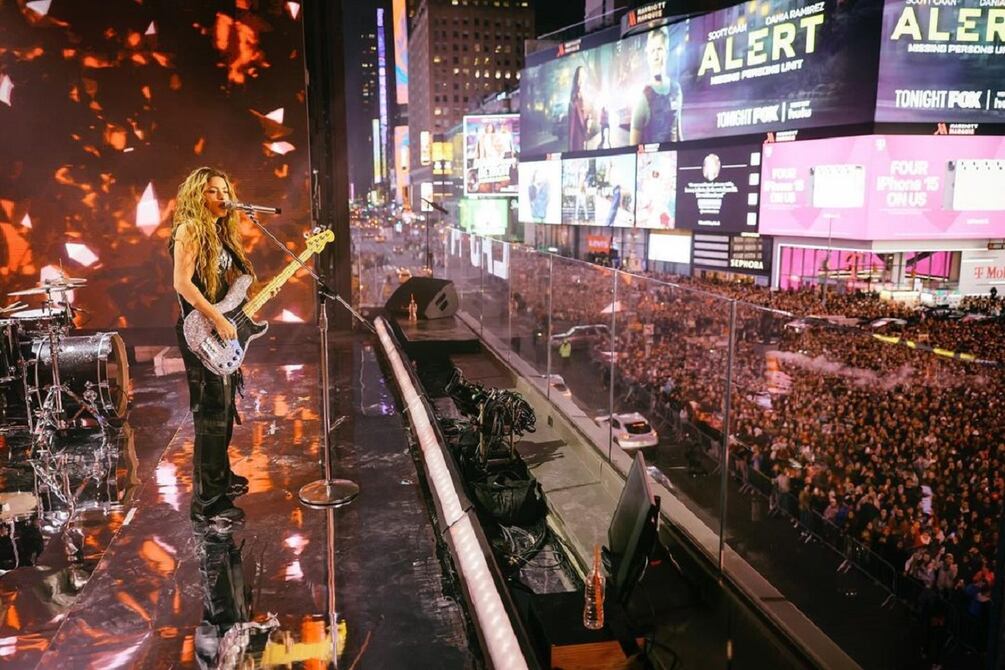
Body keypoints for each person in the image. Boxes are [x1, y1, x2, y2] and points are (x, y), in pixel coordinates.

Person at [170, 167, 255, 525]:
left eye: (225, 190)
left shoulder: (219, 232)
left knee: (224, 406)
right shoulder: (189, 229)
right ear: (197, 196)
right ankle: (207, 502)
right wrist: (218, 318)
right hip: (200, 330)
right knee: (210, 414)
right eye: (213, 191)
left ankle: (220, 477)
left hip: (218, 326)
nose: (222, 197)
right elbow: (182, 283)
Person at [629, 28, 683, 145]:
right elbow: (633, 147)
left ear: (667, 52)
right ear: (648, 56)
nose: (656, 56)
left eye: (659, 49)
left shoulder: (676, 89)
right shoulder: (642, 97)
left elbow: (678, 132)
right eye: (652, 51)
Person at [567, 66, 591, 151]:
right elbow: (573, 115)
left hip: (584, 127)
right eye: (581, 75)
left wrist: (588, 119)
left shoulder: (585, 91)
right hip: (578, 130)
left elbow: (587, 110)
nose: (583, 76)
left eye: (584, 74)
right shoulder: (576, 93)